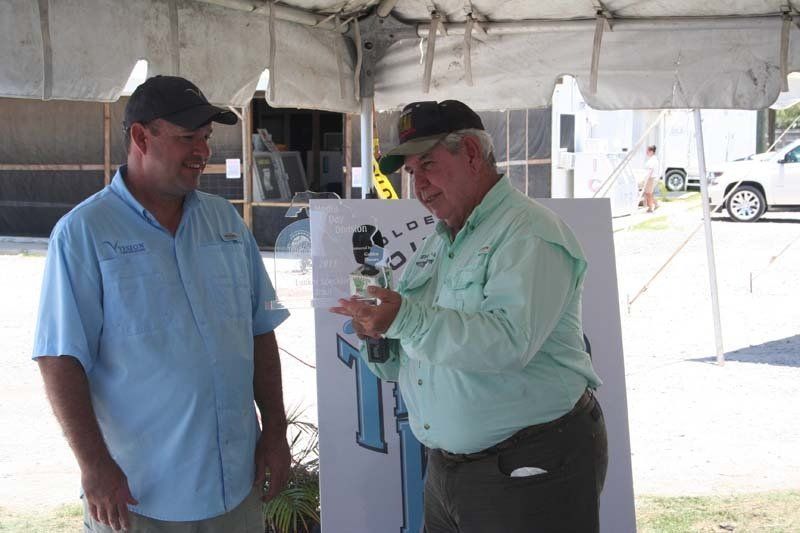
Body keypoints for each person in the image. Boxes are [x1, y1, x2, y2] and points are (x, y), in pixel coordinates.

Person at [332, 100, 608, 532]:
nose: (419, 185)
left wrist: (403, 319)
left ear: (473, 155)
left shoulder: (528, 233)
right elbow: (405, 357)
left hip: (528, 466)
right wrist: (376, 334)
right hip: (450, 471)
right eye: (411, 174)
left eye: (428, 165)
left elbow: (507, 342)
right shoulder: (439, 242)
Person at [32, 76, 291, 532]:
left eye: (206, 138)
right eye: (186, 137)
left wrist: (274, 431)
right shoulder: (84, 233)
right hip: (139, 494)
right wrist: (94, 465)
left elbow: (258, 330)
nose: (202, 151)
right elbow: (59, 358)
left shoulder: (226, 222)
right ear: (140, 137)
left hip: (235, 487)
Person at [644, 144, 661, 212]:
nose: (646, 152)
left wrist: (647, 178)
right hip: (651, 178)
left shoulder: (653, 160)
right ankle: (656, 204)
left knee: (649, 193)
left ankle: (650, 207)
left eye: (647, 151)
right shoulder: (652, 159)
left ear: (651, 151)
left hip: (651, 178)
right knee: (648, 193)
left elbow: (651, 170)